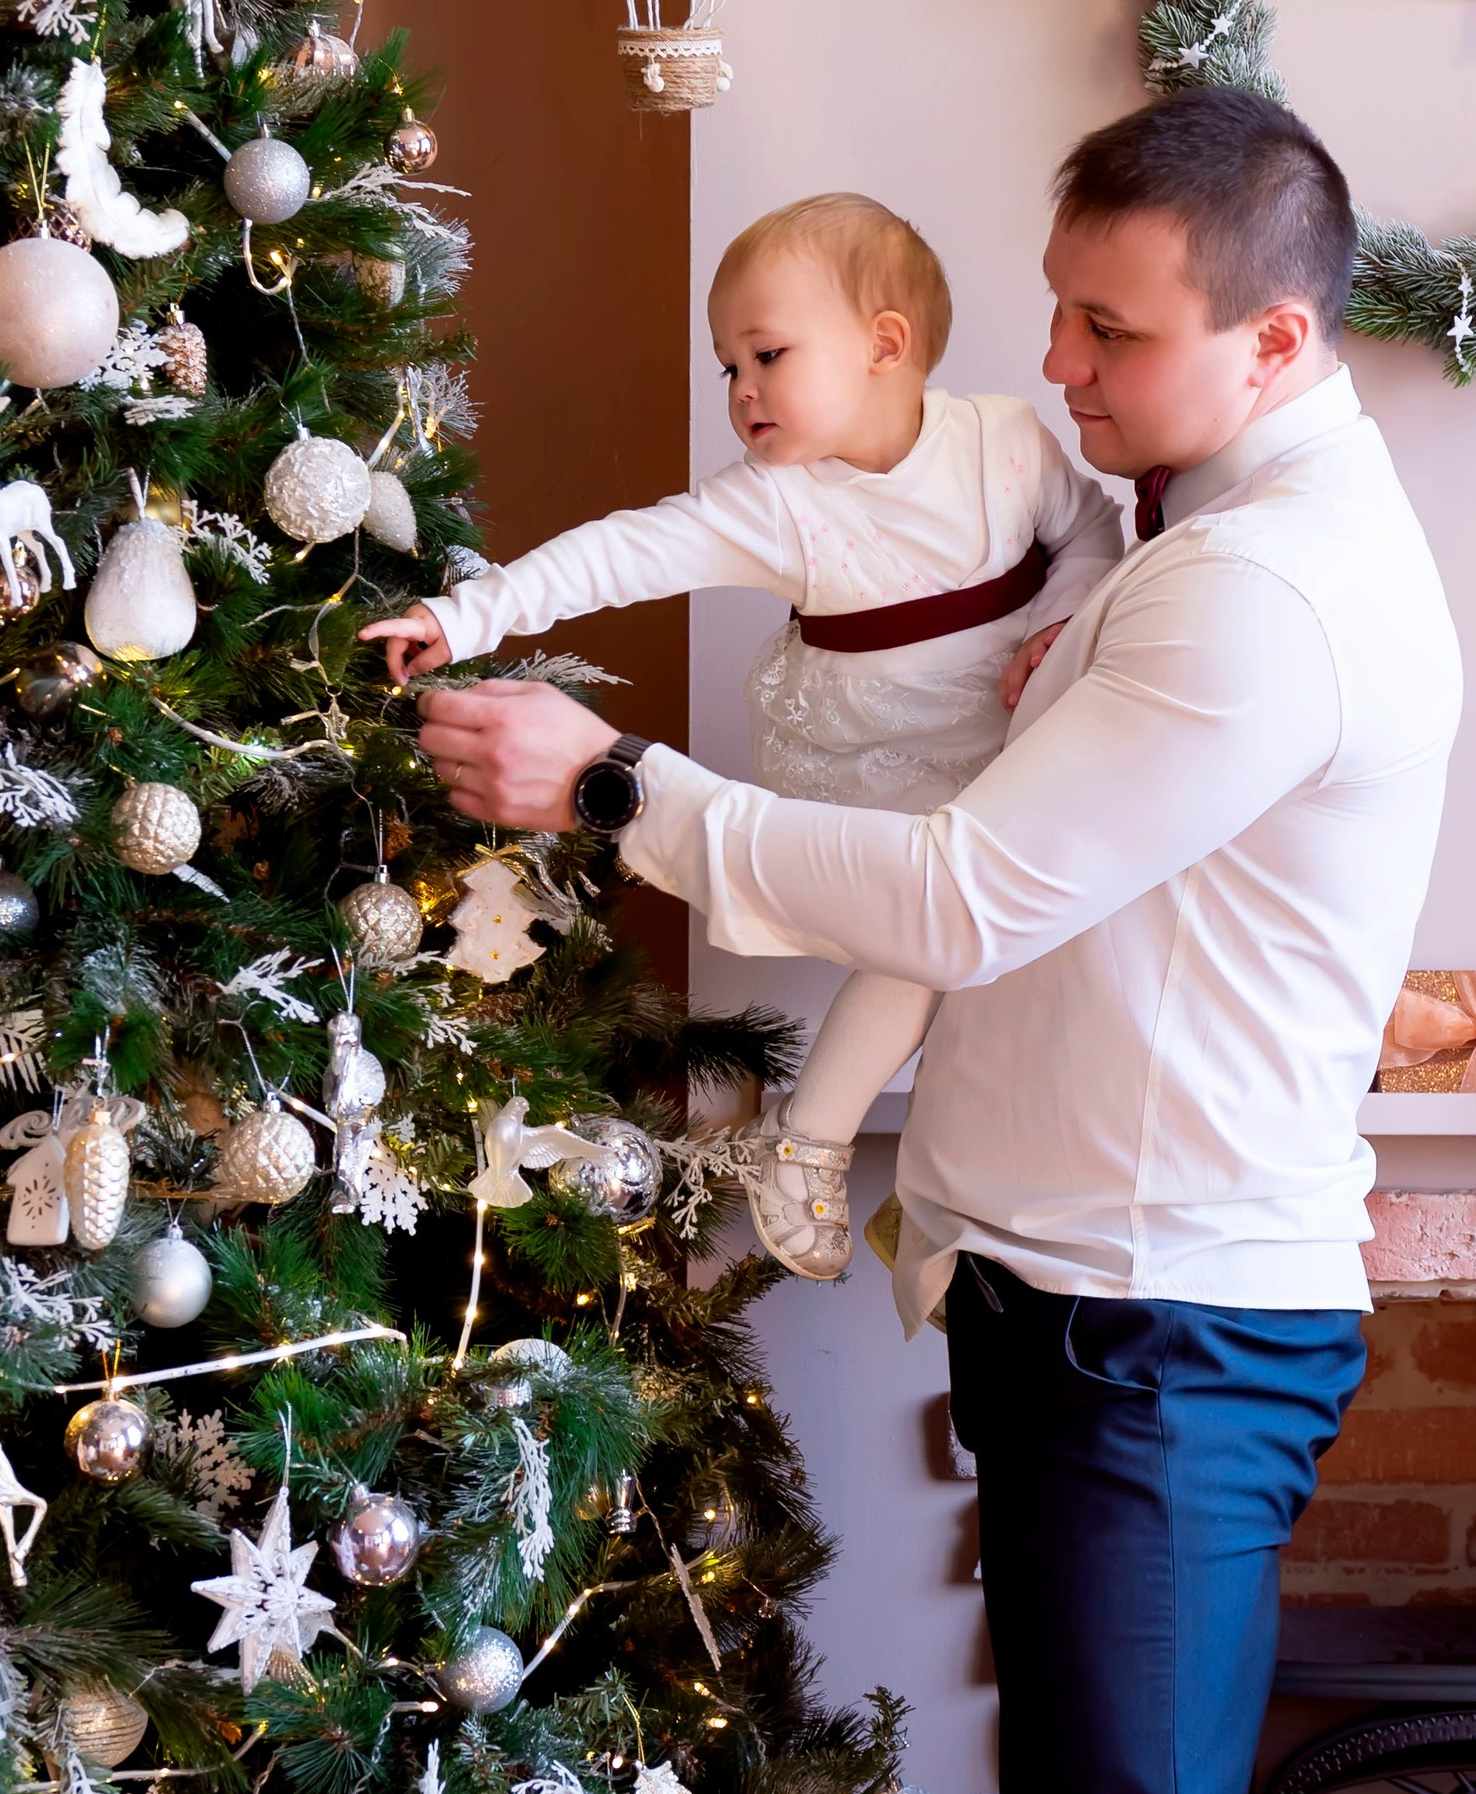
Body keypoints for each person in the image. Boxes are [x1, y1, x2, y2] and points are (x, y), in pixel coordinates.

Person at [410, 84, 1462, 1794]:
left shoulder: (1264, 600)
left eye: (1111, 328)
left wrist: (622, 789)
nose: (1058, 364)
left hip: (1169, 1343)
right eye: (1057, 306)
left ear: (1272, 338)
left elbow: (979, 890)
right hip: (1081, 1306)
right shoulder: (1170, 534)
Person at [363, 188, 1117, 1277]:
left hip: (1012, 746)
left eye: (766, 355)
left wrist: (1057, 622)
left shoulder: (1003, 440)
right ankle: (807, 1139)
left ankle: (944, 1187)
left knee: (1019, 958)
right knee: (925, 946)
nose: (741, 389)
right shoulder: (776, 500)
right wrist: (465, 615)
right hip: (883, 763)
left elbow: (1090, 532)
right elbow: (620, 552)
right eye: (728, 367)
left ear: (884, 345)